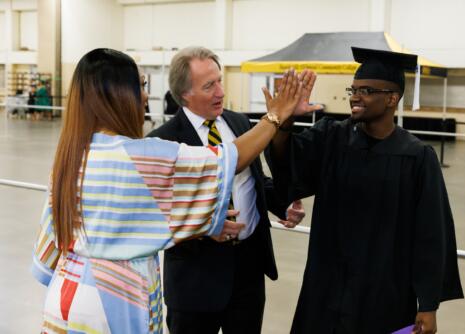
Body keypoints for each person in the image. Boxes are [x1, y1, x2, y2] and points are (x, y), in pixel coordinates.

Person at [31, 48, 303, 334]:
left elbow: (47, 257)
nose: (147, 96)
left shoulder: (70, 158)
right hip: (114, 306)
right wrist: (274, 116)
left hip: (65, 300)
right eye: (142, 85)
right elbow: (228, 160)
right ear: (118, 94)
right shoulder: (145, 156)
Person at [269, 47, 464, 334]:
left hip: (385, 291)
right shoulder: (331, 137)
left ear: (391, 99)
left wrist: (428, 304)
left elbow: (431, 233)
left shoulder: (417, 157)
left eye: (367, 90)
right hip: (327, 285)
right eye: (354, 89)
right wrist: (284, 121)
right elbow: (290, 166)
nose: (355, 96)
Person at [147, 46, 306, 334]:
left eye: (220, 80)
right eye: (209, 85)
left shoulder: (238, 122)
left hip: (248, 272)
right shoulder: (162, 142)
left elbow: (254, 180)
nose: (220, 91)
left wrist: (282, 205)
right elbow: (159, 217)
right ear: (184, 94)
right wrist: (203, 227)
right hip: (196, 279)